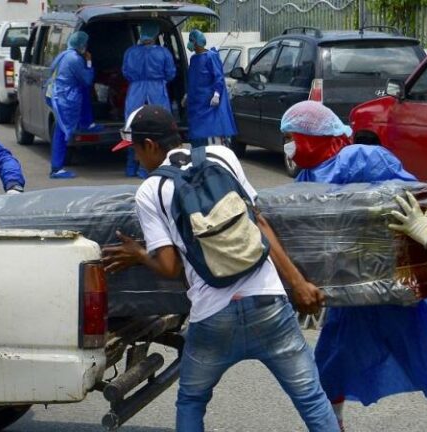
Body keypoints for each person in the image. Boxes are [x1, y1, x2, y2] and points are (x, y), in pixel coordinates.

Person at [102, 105, 339, 432]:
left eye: (136, 151)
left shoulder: (151, 191)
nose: (136, 159)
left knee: (191, 401)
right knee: (312, 399)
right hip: (269, 305)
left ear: (151, 145)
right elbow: (259, 222)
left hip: (213, 318)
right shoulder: (221, 156)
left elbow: (170, 267)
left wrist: (139, 254)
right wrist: (297, 284)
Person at [280, 101, 427, 432]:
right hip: (351, 292)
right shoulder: (309, 174)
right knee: (333, 365)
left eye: (291, 136)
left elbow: (413, 193)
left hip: (394, 284)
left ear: (311, 135)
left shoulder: (362, 158)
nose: (289, 145)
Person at [121, 22, 176, 179]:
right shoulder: (163, 53)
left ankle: (131, 167)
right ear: (155, 35)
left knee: (133, 127)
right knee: (156, 128)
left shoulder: (130, 52)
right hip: (157, 90)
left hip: (135, 91)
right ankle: (149, 168)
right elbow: (171, 73)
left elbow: (125, 71)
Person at [46, 31, 99, 179]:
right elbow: (87, 79)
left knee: (60, 129)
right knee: (61, 131)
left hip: (58, 94)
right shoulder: (75, 59)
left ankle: (57, 166)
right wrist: (89, 62)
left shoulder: (63, 55)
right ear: (81, 45)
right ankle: (56, 168)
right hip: (65, 97)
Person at [184, 29, 237, 148]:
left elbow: (218, 77)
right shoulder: (193, 59)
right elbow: (193, 80)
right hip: (195, 103)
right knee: (196, 135)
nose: (190, 44)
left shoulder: (211, 57)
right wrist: (188, 95)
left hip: (208, 103)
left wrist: (216, 94)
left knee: (209, 132)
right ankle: (198, 157)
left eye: (191, 41)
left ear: (197, 43)